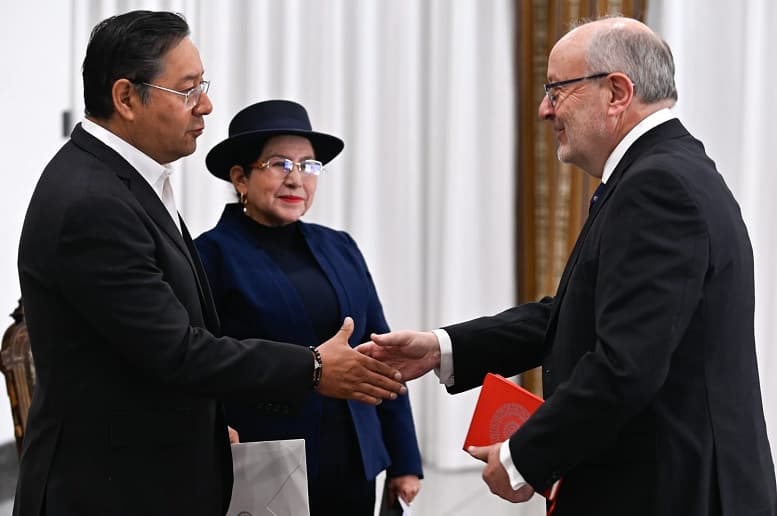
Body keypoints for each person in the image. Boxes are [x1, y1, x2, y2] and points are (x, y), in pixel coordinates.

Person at [359, 16, 777, 516]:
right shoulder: (663, 171)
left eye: (556, 89)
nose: (544, 109)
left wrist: (523, 458)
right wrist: (441, 348)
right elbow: (575, 313)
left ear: (616, 92)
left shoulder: (658, 186)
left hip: (672, 491)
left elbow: (626, 364)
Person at [14, 11, 406, 516]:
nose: (206, 105)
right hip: (112, 488)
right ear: (126, 98)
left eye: (204, 85)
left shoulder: (123, 182)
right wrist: (311, 366)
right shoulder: (93, 200)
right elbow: (175, 349)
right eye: (188, 90)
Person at [194, 99, 423, 515]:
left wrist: (404, 458)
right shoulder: (209, 256)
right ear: (240, 178)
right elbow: (199, 362)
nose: (296, 179)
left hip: (354, 458)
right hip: (265, 462)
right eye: (279, 164)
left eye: (309, 166)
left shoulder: (340, 247)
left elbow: (382, 351)